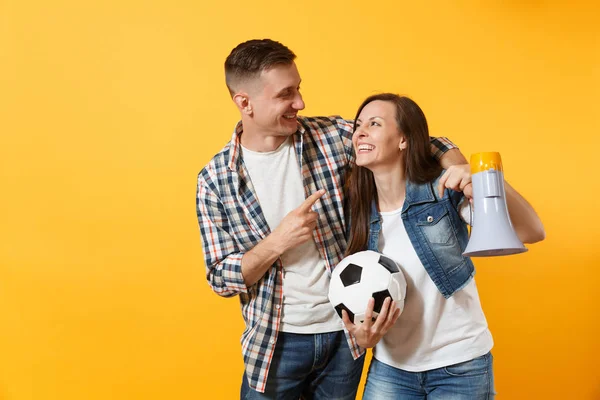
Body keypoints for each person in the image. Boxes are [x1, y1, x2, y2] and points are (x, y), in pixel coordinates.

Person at [196, 39, 466, 399]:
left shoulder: (329, 137)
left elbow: (418, 140)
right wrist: (278, 241)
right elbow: (220, 278)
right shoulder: (216, 179)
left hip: (346, 336)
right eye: (286, 94)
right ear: (245, 103)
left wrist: (461, 167)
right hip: (276, 342)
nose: (300, 103)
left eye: (299, 89)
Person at [341, 93, 546, 399]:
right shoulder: (357, 207)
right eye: (358, 125)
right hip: (391, 368)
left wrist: (485, 177)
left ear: (403, 140)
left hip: (460, 367)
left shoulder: (443, 191)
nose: (360, 132)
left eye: (375, 123)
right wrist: (363, 335)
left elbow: (531, 230)